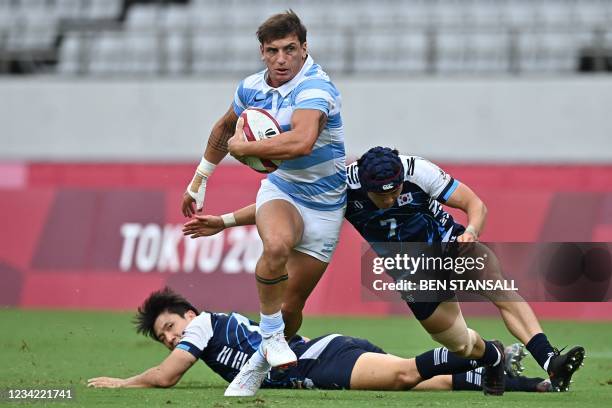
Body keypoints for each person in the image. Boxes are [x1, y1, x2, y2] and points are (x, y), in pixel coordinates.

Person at [183, 147, 585, 393]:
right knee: (461, 345)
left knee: (499, 287)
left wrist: (473, 231)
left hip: (448, 244)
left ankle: (549, 359)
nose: (392, 197)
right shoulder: (342, 187)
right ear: (367, 185)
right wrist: (224, 221)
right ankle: (492, 356)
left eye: (396, 188)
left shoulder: (417, 170)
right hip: (411, 270)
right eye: (383, 192)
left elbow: (473, 202)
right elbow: (281, 208)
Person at [179, 10, 346, 396]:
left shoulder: (316, 87)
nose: (282, 59)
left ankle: (257, 362)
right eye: (273, 51)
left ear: (305, 49)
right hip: (283, 190)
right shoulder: (251, 87)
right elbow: (223, 128)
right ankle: (269, 337)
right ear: (262, 53)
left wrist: (244, 148)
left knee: (290, 309)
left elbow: (301, 141)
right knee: (275, 246)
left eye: (291, 49)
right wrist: (199, 179)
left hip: (325, 206)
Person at [87, 287, 551, 394]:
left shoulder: (204, 325)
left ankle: (491, 352)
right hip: (323, 355)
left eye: (170, 327)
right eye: (164, 337)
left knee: (407, 372)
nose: (171, 338)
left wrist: (123, 384)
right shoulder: (210, 333)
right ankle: (534, 386)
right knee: (430, 384)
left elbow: (167, 379)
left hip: (317, 361)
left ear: (188, 314)